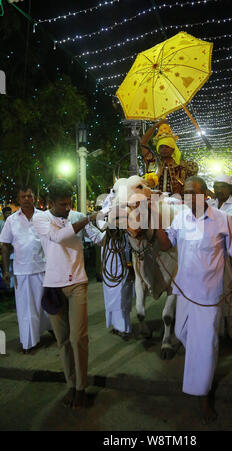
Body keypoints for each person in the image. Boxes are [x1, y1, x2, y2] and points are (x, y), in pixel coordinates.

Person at [154, 176, 232, 424]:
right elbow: (165, 245)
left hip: (209, 295)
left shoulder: (221, 219)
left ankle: (203, 396)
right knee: (183, 334)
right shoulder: (181, 217)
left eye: (193, 192)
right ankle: (201, 373)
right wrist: (153, 224)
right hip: (183, 292)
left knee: (204, 345)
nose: (189, 197)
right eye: (186, 193)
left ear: (205, 194)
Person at [33, 179, 105, 409]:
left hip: (78, 284)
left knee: (78, 339)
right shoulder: (41, 218)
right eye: (62, 204)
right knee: (63, 341)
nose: (67, 207)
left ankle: (82, 388)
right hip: (53, 285)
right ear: (50, 203)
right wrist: (88, 219)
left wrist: (115, 227)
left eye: (70, 203)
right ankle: (71, 385)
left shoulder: (77, 216)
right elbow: (58, 237)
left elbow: (99, 239)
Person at [0, 187, 52, 353]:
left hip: (45, 269)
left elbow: (53, 241)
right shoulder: (12, 220)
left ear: (35, 198)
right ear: (18, 199)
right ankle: (29, 343)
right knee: (26, 309)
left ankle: (52, 330)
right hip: (22, 272)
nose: (27, 199)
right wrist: (6, 270)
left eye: (29, 196)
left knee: (48, 305)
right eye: (23, 196)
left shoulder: (43, 217)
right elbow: (5, 246)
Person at [207, 174, 232, 336]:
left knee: (231, 287)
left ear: (229, 189)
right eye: (215, 186)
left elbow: (229, 221)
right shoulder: (210, 203)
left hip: (231, 251)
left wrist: (207, 218)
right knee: (215, 290)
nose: (217, 190)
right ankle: (219, 329)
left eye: (221, 186)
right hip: (212, 251)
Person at [98, 190, 135, 340]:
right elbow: (101, 225)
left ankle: (124, 328)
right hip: (108, 259)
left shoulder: (128, 218)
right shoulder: (105, 211)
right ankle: (116, 325)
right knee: (111, 294)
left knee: (122, 294)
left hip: (123, 259)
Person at [141, 119, 198, 196]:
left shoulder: (181, 166)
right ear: (158, 149)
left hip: (175, 202)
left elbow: (192, 187)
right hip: (154, 201)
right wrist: (155, 126)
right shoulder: (153, 161)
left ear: (172, 149)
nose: (164, 149)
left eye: (167, 147)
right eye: (161, 147)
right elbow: (143, 143)